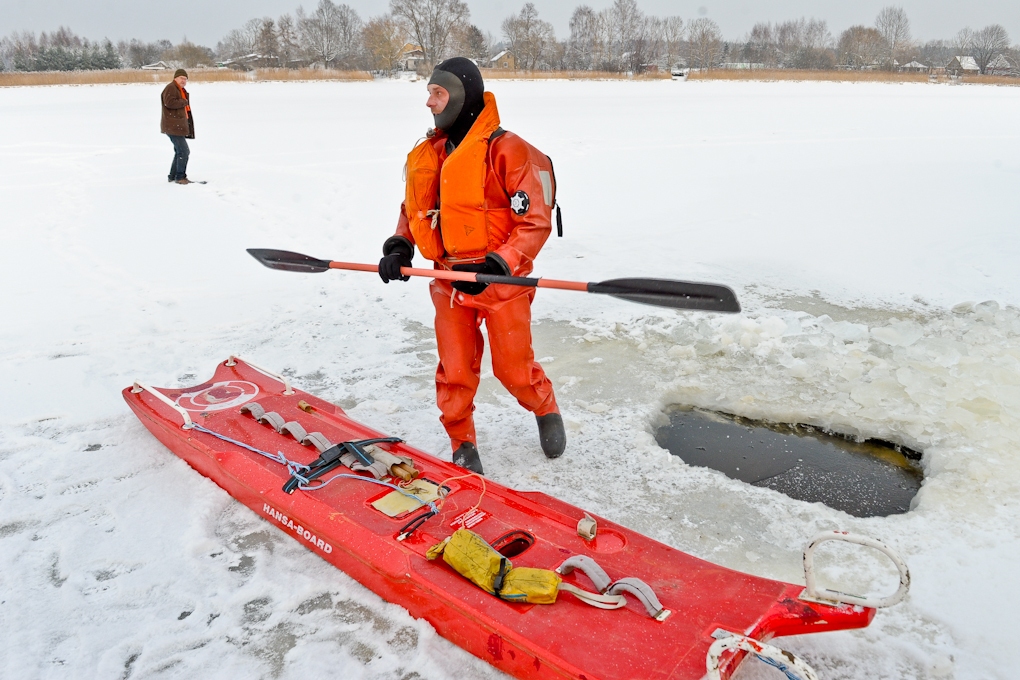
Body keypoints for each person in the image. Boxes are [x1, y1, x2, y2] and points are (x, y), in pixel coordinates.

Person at [378, 57, 565, 475]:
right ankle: (462, 440)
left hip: (499, 282)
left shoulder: (507, 150)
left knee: (514, 371)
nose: (429, 102)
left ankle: (544, 406)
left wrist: (502, 262)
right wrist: (399, 247)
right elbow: (415, 209)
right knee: (455, 369)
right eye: (429, 93)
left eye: (437, 93)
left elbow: (534, 220)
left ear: (461, 96)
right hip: (447, 278)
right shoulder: (430, 152)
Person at [161, 69, 195, 184]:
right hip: (172, 126)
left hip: (176, 126)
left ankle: (173, 176)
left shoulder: (180, 90)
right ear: (175, 78)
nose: (183, 81)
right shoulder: (171, 88)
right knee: (184, 151)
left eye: (185, 79)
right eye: (181, 78)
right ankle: (180, 177)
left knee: (179, 151)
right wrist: (183, 102)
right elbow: (169, 102)